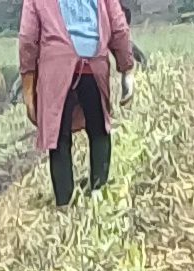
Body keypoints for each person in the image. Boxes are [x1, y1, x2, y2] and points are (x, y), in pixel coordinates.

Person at [19, 0, 132, 207]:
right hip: (94, 65)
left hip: (56, 68)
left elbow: (28, 37)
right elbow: (118, 25)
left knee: (59, 139)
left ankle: (64, 204)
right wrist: (126, 69)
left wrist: (28, 85)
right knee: (99, 131)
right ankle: (99, 193)